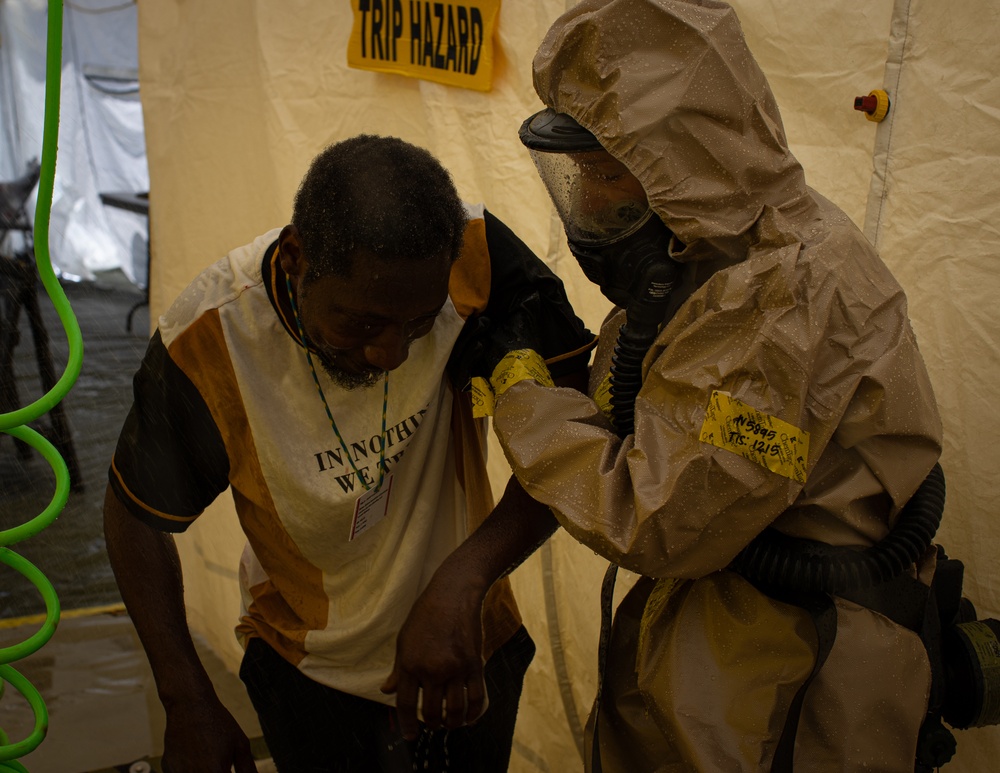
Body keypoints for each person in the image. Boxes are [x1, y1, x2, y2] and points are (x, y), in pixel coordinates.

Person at [473, 0, 945, 770]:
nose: (589, 204)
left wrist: (523, 389)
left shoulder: (781, 294)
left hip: (780, 680)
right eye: (581, 173)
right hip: (721, 640)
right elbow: (667, 396)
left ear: (683, 156)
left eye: (608, 173)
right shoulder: (728, 239)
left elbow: (661, 517)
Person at [103, 134, 593, 772]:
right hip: (309, 673)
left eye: (420, 324)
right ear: (298, 258)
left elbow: (575, 433)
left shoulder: (475, 256)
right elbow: (133, 517)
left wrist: (462, 582)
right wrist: (187, 697)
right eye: (361, 324)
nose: (391, 354)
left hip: (471, 642)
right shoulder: (213, 339)